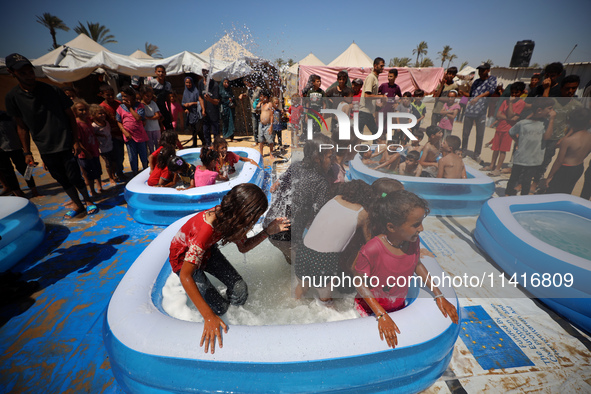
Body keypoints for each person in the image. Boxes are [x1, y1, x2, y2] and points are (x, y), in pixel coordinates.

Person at [168, 183, 289, 353]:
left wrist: (268, 231)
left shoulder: (232, 220)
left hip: (207, 251)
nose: (254, 222)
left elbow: (244, 247)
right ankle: (217, 309)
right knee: (220, 308)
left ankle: (227, 311)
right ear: (243, 213)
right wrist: (209, 317)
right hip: (183, 260)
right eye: (254, 218)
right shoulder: (207, 229)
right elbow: (185, 276)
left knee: (240, 289)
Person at [353, 190, 458, 348]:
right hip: (369, 308)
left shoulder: (413, 241)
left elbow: (417, 265)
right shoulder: (373, 249)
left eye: (421, 222)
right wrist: (381, 314)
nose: (421, 228)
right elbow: (359, 283)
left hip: (397, 305)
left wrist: (439, 295)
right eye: (416, 224)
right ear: (392, 227)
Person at [5, 53, 97, 219]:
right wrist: (27, 152)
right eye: (23, 73)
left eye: (30, 71)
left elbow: (70, 116)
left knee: (74, 174)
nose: (29, 75)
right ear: (12, 73)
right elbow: (21, 127)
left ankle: (88, 200)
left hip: (65, 142)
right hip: (44, 146)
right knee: (60, 177)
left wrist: (75, 141)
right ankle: (77, 203)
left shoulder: (52, 90)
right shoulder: (13, 97)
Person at [294, 180, 372, 305]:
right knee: (326, 300)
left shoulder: (335, 198)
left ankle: (293, 306)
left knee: (302, 288)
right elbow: (370, 241)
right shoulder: (363, 213)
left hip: (303, 250)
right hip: (324, 259)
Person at [263, 133, 334, 264]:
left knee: (290, 256)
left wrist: (275, 186)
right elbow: (320, 217)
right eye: (330, 157)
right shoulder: (320, 182)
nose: (333, 161)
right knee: (302, 270)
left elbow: (280, 182)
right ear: (318, 158)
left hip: (269, 225)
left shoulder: (296, 166)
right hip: (285, 235)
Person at [534, 75, 582, 192]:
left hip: (559, 138)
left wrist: (564, 138)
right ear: (561, 88)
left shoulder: (577, 106)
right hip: (543, 135)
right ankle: (525, 181)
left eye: (573, 88)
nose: (570, 91)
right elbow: (541, 107)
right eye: (567, 88)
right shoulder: (553, 101)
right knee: (535, 159)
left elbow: (574, 126)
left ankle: (538, 183)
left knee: (547, 161)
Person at [505, 98, 556, 196]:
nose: (552, 111)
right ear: (539, 110)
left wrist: (552, 120)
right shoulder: (523, 123)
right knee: (513, 178)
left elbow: (547, 137)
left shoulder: (546, 123)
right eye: (550, 108)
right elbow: (511, 132)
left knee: (526, 181)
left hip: (534, 160)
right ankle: (507, 195)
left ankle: (523, 198)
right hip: (520, 157)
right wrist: (517, 141)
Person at [484, 82, 526, 176]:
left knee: (502, 150)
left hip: (508, 130)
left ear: (521, 92)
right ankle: (492, 165)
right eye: (512, 93)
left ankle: (498, 168)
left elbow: (513, 117)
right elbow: (498, 115)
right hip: (499, 127)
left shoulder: (521, 103)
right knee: (495, 148)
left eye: (516, 93)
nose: (514, 95)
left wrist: (510, 104)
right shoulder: (504, 101)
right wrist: (509, 118)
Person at [546, 108, 591, 194]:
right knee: (566, 192)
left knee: (553, 193)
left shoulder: (568, 141)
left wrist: (549, 177)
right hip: (579, 167)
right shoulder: (589, 137)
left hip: (565, 169)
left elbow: (559, 161)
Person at [461, 63, 497, 163]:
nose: (481, 72)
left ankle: (477, 154)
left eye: (483, 70)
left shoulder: (492, 79)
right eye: (480, 70)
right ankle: (463, 150)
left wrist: (477, 98)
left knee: (480, 134)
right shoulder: (476, 81)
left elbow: (491, 91)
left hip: (481, 111)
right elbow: (471, 95)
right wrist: (463, 94)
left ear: (488, 70)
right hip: (470, 110)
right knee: (465, 133)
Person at [0, 111, 39, 197]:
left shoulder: (8, 116)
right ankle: (18, 194)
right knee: (8, 173)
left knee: (25, 169)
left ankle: (34, 191)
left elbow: (20, 130)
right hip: (1, 152)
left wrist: (26, 150)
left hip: (15, 147)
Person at [72, 98, 103, 197]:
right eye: (80, 110)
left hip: (94, 150)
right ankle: (92, 191)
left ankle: (100, 188)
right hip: (85, 154)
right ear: (75, 111)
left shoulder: (87, 121)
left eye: (85, 109)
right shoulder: (77, 124)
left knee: (97, 170)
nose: (84, 112)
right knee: (89, 174)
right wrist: (86, 152)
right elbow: (78, 141)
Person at [116, 86, 149, 175]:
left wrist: (130, 107)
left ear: (131, 96)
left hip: (140, 136)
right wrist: (124, 131)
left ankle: (146, 172)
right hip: (129, 137)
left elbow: (138, 118)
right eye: (122, 96)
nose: (123, 98)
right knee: (132, 157)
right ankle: (135, 173)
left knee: (143, 155)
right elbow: (119, 121)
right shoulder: (120, 108)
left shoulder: (139, 106)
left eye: (125, 96)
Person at [98, 84, 126, 182]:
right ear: (102, 95)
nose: (110, 97)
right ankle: (114, 174)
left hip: (121, 133)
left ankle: (120, 172)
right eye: (108, 95)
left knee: (120, 155)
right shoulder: (101, 107)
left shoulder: (118, 103)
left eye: (112, 94)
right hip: (110, 135)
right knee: (113, 157)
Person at [89, 104, 117, 187]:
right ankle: (110, 177)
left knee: (114, 162)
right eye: (99, 114)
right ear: (94, 115)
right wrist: (100, 135)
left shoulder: (106, 123)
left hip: (110, 145)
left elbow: (108, 132)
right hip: (102, 148)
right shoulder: (94, 126)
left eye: (103, 113)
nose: (102, 115)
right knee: (108, 163)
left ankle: (113, 174)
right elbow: (92, 134)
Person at [359, 58, 386, 136]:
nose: (382, 68)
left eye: (383, 66)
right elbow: (367, 95)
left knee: (375, 133)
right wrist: (381, 96)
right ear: (375, 66)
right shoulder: (371, 77)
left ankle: (376, 147)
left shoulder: (375, 78)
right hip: (365, 112)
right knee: (357, 135)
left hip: (369, 112)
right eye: (381, 66)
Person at [199, 68, 221, 147]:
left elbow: (217, 101)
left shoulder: (214, 85)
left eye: (207, 71)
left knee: (216, 132)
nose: (205, 72)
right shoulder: (200, 83)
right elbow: (200, 97)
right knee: (205, 131)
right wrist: (203, 109)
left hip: (214, 113)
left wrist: (209, 99)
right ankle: (208, 147)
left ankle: (216, 148)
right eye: (203, 70)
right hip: (205, 113)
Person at [147, 65, 173, 129]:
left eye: (162, 72)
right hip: (153, 107)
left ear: (165, 73)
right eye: (159, 72)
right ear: (155, 72)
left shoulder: (168, 84)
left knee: (169, 126)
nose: (161, 74)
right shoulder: (152, 83)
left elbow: (168, 98)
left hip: (163, 107)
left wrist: (169, 111)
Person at [182, 76, 205, 147]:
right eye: (187, 82)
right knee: (193, 130)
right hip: (190, 114)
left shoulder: (196, 91)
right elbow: (183, 102)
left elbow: (200, 102)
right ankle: (194, 144)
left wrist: (192, 103)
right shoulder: (185, 92)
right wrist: (185, 108)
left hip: (197, 113)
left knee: (198, 130)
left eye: (189, 83)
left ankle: (204, 142)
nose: (188, 84)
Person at [140, 86, 164, 154]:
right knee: (150, 146)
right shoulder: (141, 105)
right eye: (147, 96)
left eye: (150, 96)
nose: (149, 98)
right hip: (147, 129)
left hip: (156, 128)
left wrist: (147, 118)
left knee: (158, 145)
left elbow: (157, 116)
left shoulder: (153, 103)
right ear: (143, 95)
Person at [238, 78, 262, 144]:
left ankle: (262, 141)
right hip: (253, 111)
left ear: (251, 82)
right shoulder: (249, 90)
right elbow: (246, 95)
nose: (246, 86)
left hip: (260, 111)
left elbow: (264, 98)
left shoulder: (259, 89)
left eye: (247, 84)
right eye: (245, 84)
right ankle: (256, 141)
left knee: (260, 126)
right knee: (254, 127)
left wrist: (260, 103)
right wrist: (242, 95)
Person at [258, 90, 274, 157]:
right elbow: (256, 108)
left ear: (266, 97)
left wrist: (271, 126)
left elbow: (271, 116)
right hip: (261, 124)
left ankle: (271, 153)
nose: (260, 97)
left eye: (261, 96)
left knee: (270, 140)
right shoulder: (261, 104)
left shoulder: (269, 104)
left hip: (267, 125)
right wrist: (259, 103)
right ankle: (261, 153)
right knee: (261, 140)